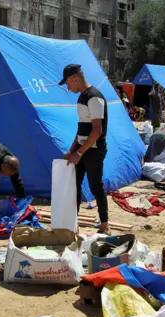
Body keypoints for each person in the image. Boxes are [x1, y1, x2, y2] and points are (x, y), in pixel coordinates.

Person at [59, 64, 111, 234]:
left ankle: (104, 224)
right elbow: (82, 129)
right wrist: (72, 150)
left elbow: (97, 130)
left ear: (75, 79)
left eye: (68, 83)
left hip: (94, 149)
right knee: (75, 184)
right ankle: (73, 223)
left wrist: (80, 153)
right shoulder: (81, 97)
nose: (68, 87)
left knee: (96, 185)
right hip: (82, 147)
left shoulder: (94, 97)